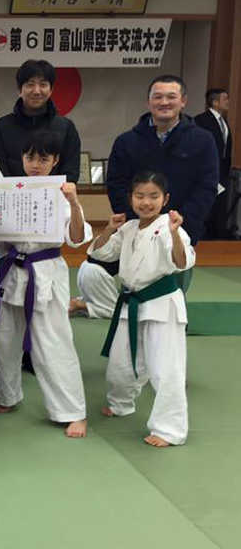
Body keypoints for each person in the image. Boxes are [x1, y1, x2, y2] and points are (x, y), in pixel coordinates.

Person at [0, 131, 91, 438]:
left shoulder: (62, 194)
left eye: (43, 159)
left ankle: (73, 411)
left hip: (46, 272)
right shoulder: (9, 191)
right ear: (22, 158)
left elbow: (76, 238)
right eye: (30, 157)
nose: (35, 164)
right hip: (13, 271)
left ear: (55, 161)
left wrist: (74, 202)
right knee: (5, 339)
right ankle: (8, 396)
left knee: (53, 342)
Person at [88, 171, 195, 447]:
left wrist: (175, 234)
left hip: (162, 304)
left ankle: (169, 429)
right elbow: (99, 253)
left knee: (165, 369)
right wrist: (109, 228)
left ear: (165, 199)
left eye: (153, 196)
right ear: (131, 198)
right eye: (140, 196)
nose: (146, 202)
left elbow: (181, 262)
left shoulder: (169, 227)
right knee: (120, 363)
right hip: (132, 302)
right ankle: (121, 403)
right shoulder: (128, 228)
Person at [106, 74, 218, 292]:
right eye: (157, 97)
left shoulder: (203, 140)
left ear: (183, 101)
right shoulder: (126, 141)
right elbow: (116, 184)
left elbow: (207, 187)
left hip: (182, 229)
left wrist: (181, 225)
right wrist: (135, 221)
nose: (164, 102)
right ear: (148, 102)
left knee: (173, 295)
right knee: (134, 289)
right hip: (137, 228)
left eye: (171, 97)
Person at [0, 59, 81, 183]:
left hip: (54, 194)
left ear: (51, 90)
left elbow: (71, 172)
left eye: (43, 85)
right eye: (30, 84)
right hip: (11, 194)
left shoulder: (66, 128)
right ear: (19, 90)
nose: (36, 91)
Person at [194, 88, 232, 239]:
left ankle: (217, 240)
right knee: (207, 210)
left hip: (222, 174)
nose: (228, 102)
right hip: (207, 173)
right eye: (225, 99)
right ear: (215, 102)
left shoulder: (224, 121)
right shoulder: (201, 121)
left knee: (219, 210)